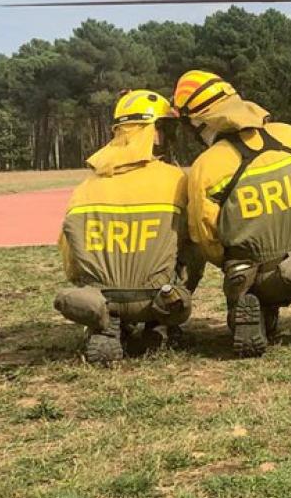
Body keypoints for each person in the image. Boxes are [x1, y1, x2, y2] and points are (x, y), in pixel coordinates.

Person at [173, 70, 291, 357]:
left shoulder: (206, 167)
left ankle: (250, 303)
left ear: (198, 123)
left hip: (258, 275)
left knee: (243, 276)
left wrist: (231, 261)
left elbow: (205, 236)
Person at [55, 90, 204, 364]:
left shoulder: (85, 188)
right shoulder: (175, 180)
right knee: (195, 245)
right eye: (165, 129)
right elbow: (194, 236)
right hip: (159, 296)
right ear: (153, 131)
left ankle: (108, 321)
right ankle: (158, 325)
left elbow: (70, 257)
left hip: (101, 297)